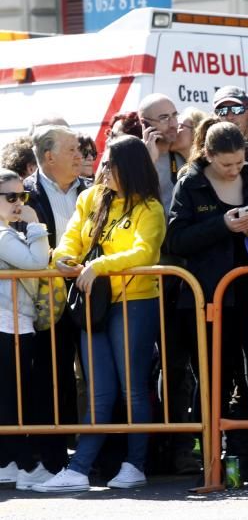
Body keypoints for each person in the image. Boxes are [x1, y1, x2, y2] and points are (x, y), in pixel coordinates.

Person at [165, 119, 248, 488]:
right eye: (226, 165)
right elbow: (176, 239)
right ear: (207, 154)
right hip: (212, 296)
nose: (234, 169)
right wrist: (222, 224)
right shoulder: (190, 183)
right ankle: (213, 462)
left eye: (239, 162)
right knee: (217, 381)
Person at [36, 135, 165, 492]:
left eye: (111, 164)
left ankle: (136, 464)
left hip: (135, 302)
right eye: (103, 162)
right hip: (93, 303)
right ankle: (79, 468)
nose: (102, 169)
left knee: (133, 390)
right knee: (99, 390)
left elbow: (145, 253)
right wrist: (61, 257)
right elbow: (72, 240)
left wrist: (100, 266)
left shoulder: (150, 207)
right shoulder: (89, 198)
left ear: (131, 168)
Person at [23, 125, 88, 478]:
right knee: (51, 377)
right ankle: (51, 459)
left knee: (96, 376)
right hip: (45, 300)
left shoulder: (94, 191)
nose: (81, 156)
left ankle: (98, 456)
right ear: (49, 156)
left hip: (92, 293)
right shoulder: (25, 195)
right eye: (72, 150)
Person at [0, 169, 55, 491]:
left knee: (9, 398)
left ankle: (8, 462)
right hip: (9, 327)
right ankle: (29, 467)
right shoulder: (4, 234)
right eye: (10, 197)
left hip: (15, 324)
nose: (19, 203)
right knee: (11, 401)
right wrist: (36, 224)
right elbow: (37, 262)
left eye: (23, 196)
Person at [138, 94, 185, 213]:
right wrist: (148, 161)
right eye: (164, 118)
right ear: (145, 124)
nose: (173, 124)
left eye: (174, 115)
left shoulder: (182, 151)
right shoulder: (132, 155)